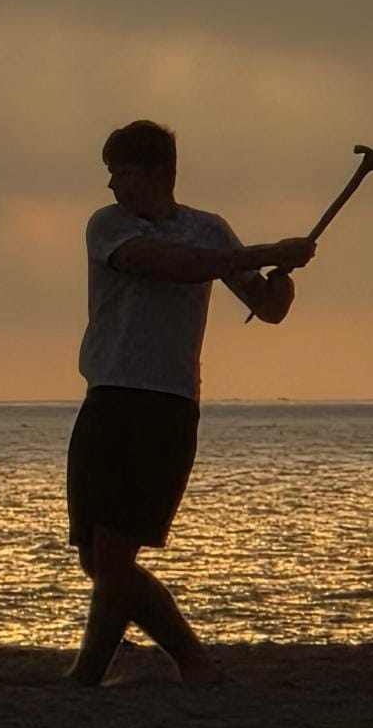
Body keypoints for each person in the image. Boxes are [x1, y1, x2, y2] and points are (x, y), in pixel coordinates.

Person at [65, 120, 316, 686]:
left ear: (158, 174)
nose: (113, 186)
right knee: (97, 556)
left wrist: (282, 281)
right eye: (111, 174)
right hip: (108, 392)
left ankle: (94, 676)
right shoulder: (109, 226)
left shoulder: (209, 230)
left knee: (114, 552)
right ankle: (190, 664)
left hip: (167, 402)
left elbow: (266, 306)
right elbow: (165, 265)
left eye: (122, 173)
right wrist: (264, 249)